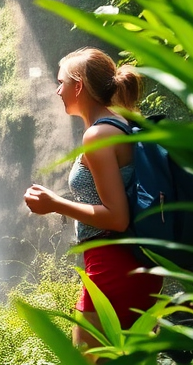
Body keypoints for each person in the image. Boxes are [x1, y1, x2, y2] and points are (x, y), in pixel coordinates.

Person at [24, 47, 162, 347]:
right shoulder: (123, 123)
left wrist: (55, 204)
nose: (57, 89)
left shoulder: (98, 136)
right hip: (136, 263)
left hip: (112, 265)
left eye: (61, 82)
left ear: (79, 86)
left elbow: (117, 216)